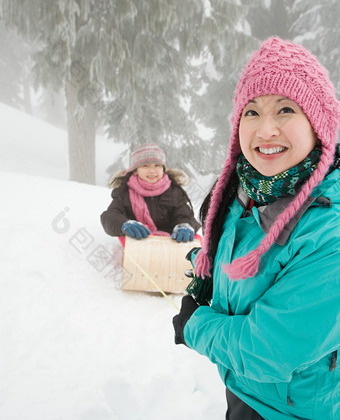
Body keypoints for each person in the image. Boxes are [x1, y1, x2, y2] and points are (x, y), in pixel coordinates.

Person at [172, 37, 340, 420]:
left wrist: (195, 324)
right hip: (243, 388)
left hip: (294, 410)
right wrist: (208, 266)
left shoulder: (331, 233)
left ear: (318, 125)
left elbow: (270, 350)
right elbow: (254, 257)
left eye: (285, 109)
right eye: (252, 112)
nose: (265, 130)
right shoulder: (244, 190)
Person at [101, 143, 200, 242]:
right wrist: (124, 224)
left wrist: (185, 225)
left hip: (169, 243)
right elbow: (110, 216)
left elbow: (185, 216)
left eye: (157, 165)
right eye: (145, 166)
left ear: (163, 169)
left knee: (195, 240)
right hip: (138, 242)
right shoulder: (124, 192)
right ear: (135, 171)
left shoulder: (174, 191)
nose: (152, 171)